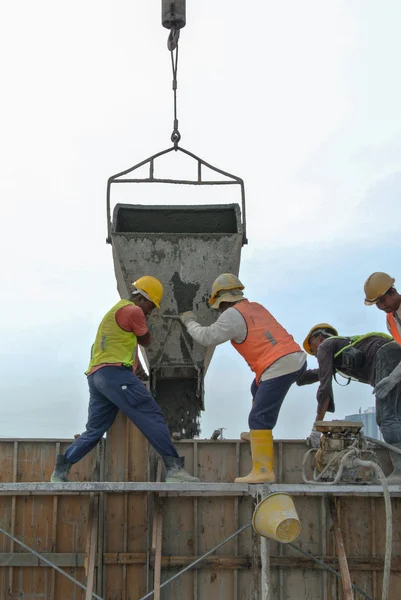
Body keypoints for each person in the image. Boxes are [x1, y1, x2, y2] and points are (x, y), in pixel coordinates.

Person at [50, 276, 199, 484]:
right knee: (151, 414)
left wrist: (134, 368)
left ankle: (60, 471)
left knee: (94, 430)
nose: (152, 311)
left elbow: (124, 344)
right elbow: (145, 340)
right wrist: (149, 326)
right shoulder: (134, 311)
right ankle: (174, 469)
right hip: (114, 374)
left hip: (96, 377)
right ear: (142, 298)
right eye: (152, 305)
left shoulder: (114, 313)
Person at [179, 273, 307, 483]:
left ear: (223, 300)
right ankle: (257, 435)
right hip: (295, 359)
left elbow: (207, 337)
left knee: (258, 417)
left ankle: (263, 471)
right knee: (256, 389)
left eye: (219, 306)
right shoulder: (255, 307)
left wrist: (189, 321)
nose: (219, 311)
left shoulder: (232, 315)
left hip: (278, 365)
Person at [300, 323, 401, 483]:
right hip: (394, 354)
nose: (315, 355)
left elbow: (324, 388)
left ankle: (400, 473)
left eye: (313, 349)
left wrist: (316, 429)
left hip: (385, 355)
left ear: (319, 338)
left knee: (386, 417)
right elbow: (318, 374)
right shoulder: (340, 348)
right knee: (397, 415)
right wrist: (294, 376)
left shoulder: (325, 346)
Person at [364, 272, 401, 343]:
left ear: (393, 292)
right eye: (376, 303)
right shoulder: (390, 320)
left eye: (382, 300)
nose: (381, 306)